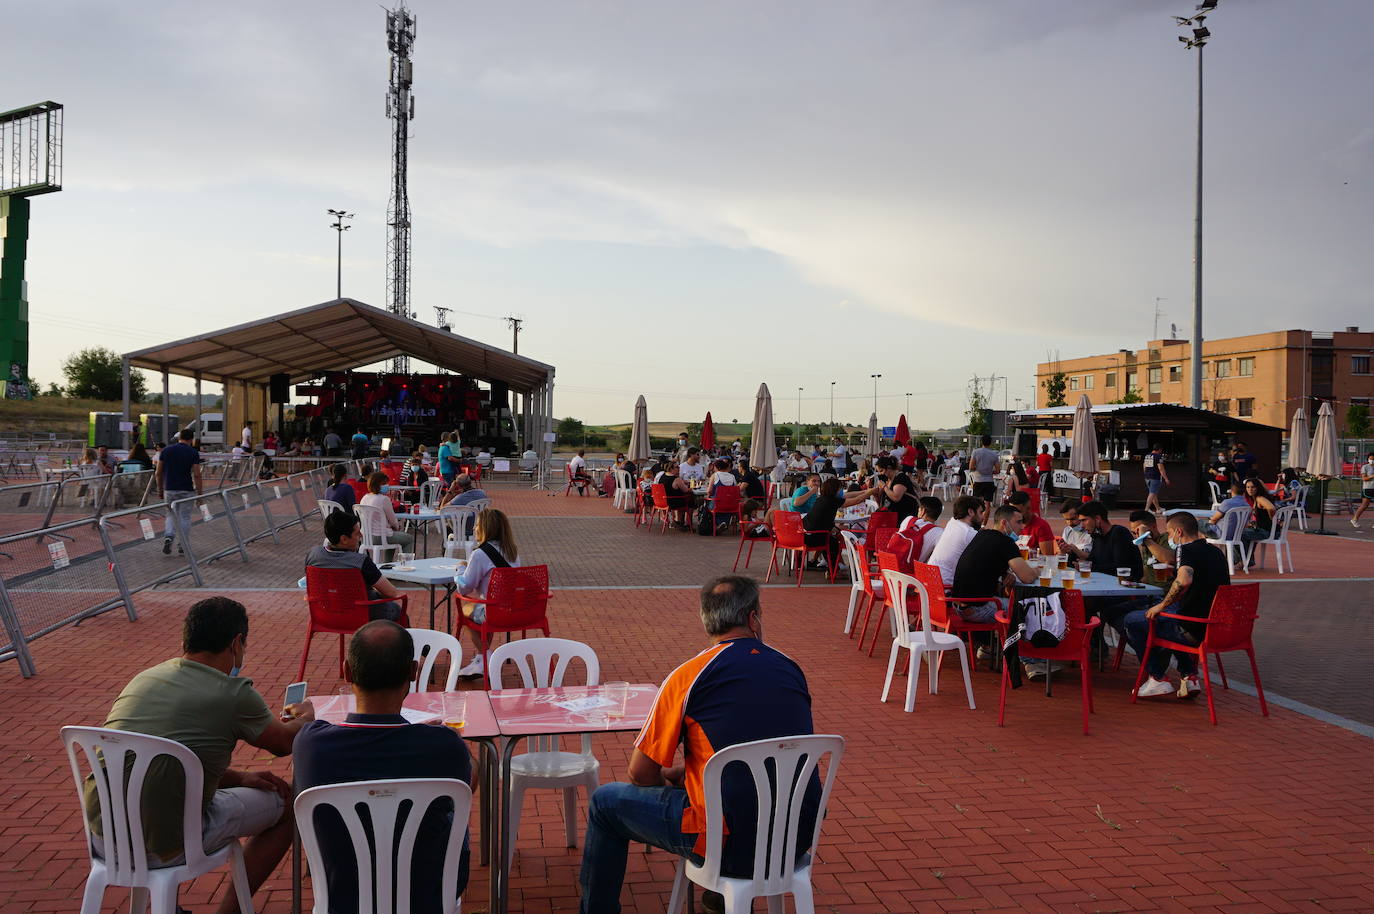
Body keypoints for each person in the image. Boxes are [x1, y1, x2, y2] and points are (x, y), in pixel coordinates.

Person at [578, 576, 819, 914]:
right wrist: (692, 775)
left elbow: (640, 774)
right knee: (724, 798)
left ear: (706, 621)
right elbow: (764, 744)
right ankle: (721, 901)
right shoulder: (790, 668)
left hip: (726, 843)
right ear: (752, 619)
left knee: (605, 803)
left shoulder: (688, 676)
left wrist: (676, 781)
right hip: (794, 837)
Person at [84, 597, 313, 914]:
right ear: (237, 643)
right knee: (290, 803)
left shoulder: (146, 678)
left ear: (185, 639)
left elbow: (167, 760)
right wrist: (306, 716)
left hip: (103, 835)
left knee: (162, 798)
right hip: (167, 843)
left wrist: (242, 778)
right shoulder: (232, 692)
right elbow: (284, 743)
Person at [293, 621, 473, 912]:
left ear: (347, 670)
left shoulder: (310, 745)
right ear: (414, 673)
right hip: (428, 897)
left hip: (341, 898)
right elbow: (468, 782)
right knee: (457, 817)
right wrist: (443, 738)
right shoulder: (444, 747)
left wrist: (308, 721)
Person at [1124, 512, 1230, 698]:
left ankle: (1156, 677)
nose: (1170, 537)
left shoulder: (1185, 550)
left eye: (1170, 533)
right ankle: (1188, 676)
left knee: (1132, 620)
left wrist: (1161, 605)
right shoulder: (1216, 552)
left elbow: (1183, 581)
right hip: (1218, 627)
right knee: (1165, 619)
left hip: (1193, 629)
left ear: (1178, 532)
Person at [452, 508, 522, 678]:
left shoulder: (480, 554)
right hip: (515, 610)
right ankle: (481, 658)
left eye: (477, 525)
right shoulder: (512, 552)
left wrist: (460, 569)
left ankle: (487, 657)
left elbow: (465, 587)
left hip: (493, 612)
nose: (475, 529)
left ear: (485, 529)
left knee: (466, 611)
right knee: (483, 608)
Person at [306, 511, 407, 622]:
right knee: (397, 610)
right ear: (344, 539)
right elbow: (391, 593)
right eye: (357, 533)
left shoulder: (313, 555)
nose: (361, 536)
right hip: (361, 616)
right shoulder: (361, 562)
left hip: (325, 616)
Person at [950, 504, 1039, 622]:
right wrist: (1037, 570)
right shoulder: (1005, 542)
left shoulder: (982, 534)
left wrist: (1005, 574)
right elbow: (1027, 578)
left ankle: (996, 639)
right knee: (1030, 609)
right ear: (1004, 523)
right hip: (977, 609)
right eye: (1018, 522)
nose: (1022, 526)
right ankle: (1020, 640)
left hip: (958, 606)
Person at [801, 477, 877, 570]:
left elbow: (847, 495)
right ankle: (834, 569)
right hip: (813, 537)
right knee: (833, 543)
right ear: (835, 490)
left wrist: (865, 491)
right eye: (840, 488)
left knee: (834, 535)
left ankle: (833, 565)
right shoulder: (832, 501)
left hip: (804, 534)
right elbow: (856, 500)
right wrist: (870, 492)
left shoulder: (823, 498)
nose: (841, 491)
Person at [1059, 501, 1143, 581]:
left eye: (1084, 520)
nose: (1082, 526)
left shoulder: (1119, 533)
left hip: (1126, 589)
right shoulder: (1097, 536)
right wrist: (1070, 553)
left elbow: (1121, 567)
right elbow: (1092, 561)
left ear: (1097, 519)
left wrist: (1089, 567)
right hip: (1107, 585)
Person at [157, 428, 203, 556]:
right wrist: (200, 494)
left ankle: (169, 535)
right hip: (186, 489)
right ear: (191, 439)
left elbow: (158, 473)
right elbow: (197, 475)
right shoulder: (193, 452)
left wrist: (160, 489)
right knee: (185, 517)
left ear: (179, 437)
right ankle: (182, 544)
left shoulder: (166, 451)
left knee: (170, 514)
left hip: (169, 488)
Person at [928, 495, 986, 588]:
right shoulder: (969, 533)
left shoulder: (952, 523)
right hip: (946, 591)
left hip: (931, 585)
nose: (983, 517)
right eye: (980, 512)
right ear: (970, 511)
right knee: (1001, 601)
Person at [883, 496, 944, 572]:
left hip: (890, 568)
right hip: (912, 576)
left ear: (923, 511)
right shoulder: (939, 532)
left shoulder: (908, 519)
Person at [360, 471, 416, 552]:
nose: (387, 485)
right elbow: (393, 521)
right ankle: (405, 563)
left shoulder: (364, 498)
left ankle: (388, 562)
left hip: (366, 536)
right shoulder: (384, 499)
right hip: (380, 536)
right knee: (409, 539)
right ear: (378, 485)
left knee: (392, 535)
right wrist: (397, 527)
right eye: (384, 484)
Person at [871, 456, 921, 524]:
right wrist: (876, 495)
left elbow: (896, 497)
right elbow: (882, 504)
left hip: (905, 517)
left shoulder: (900, 478)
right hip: (892, 517)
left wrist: (884, 487)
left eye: (881, 470)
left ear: (889, 468)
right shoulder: (888, 480)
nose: (880, 474)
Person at [1007, 490, 1053, 555]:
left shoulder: (1041, 526)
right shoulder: (1008, 525)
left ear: (1028, 508)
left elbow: (1047, 557)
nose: (1015, 516)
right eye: (1012, 512)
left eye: (1019, 512)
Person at [969, 435, 1000, 503]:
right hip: (989, 481)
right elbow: (998, 471)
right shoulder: (994, 454)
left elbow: (971, 467)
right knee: (987, 504)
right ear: (990, 443)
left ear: (981, 442)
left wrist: (979, 469)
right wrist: (990, 471)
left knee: (977, 504)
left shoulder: (976, 452)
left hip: (978, 480)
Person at [1142, 442, 1170, 513]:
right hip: (1155, 477)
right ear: (1160, 449)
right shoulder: (1158, 456)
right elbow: (1161, 468)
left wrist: (1146, 474)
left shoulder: (1148, 456)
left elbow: (1144, 466)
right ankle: (1147, 509)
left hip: (1147, 477)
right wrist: (1166, 478)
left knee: (1153, 493)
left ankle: (1158, 509)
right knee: (1152, 493)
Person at [1351, 453, 1374, 528]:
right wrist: (1372, 476)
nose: (1372, 460)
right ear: (1368, 459)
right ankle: (1354, 519)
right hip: (1368, 488)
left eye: (1373, 459)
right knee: (1365, 505)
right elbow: (1364, 478)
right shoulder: (1365, 467)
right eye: (1371, 459)